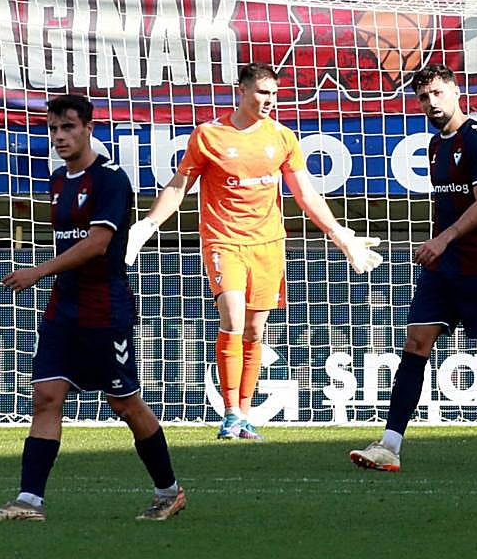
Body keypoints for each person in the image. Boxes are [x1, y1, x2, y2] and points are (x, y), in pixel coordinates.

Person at [124, 63, 383, 441]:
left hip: (268, 245)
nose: (269, 100)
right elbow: (179, 186)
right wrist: (147, 226)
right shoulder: (209, 135)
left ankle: (244, 415)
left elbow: (305, 193)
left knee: (255, 328)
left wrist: (340, 236)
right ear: (242, 91)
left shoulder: (282, 137)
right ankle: (230, 413)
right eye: (262, 92)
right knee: (232, 314)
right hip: (224, 241)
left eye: (274, 94)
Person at [0, 94, 186, 522]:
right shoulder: (59, 180)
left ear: (89, 128)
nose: (59, 136)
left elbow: (98, 244)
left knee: (124, 404)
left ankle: (169, 491)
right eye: (53, 129)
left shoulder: (110, 179)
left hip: (104, 307)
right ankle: (29, 501)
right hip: (65, 307)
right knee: (46, 396)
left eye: (68, 127)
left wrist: (38, 271)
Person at [348, 65, 477, 475]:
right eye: (424, 97)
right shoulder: (434, 145)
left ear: (456, 92)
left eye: (438, 93)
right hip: (442, 270)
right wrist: (439, 246)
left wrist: (442, 240)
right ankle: (390, 446)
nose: (431, 103)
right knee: (416, 343)